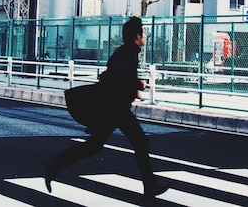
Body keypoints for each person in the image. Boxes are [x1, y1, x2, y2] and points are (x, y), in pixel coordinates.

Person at [44, 16, 169, 201]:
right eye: (143, 32)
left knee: (95, 146)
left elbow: (116, 75)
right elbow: (116, 78)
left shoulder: (126, 51)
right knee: (140, 142)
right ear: (137, 35)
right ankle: (150, 185)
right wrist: (135, 87)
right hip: (115, 108)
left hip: (113, 107)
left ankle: (54, 165)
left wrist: (135, 85)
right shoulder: (129, 52)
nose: (145, 35)